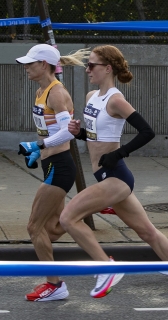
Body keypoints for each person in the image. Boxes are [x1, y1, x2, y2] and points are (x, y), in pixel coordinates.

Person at [62, 45, 168, 314]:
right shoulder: (93, 96)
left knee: (68, 218)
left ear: (108, 68)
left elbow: (147, 131)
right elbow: (94, 138)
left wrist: (119, 154)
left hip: (116, 177)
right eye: (87, 65)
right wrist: (78, 132)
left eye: (92, 65)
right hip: (106, 175)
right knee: (147, 232)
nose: (88, 70)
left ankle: (107, 267)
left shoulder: (116, 99)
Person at [15, 44, 89, 301]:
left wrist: (39, 145)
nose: (26, 67)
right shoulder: (40, 91)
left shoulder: (57, 94)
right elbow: (48, 130)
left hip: (59, 166)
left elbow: (68, 132)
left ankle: (55, 285)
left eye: (30, 63)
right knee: (52, 228)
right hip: (50, 163)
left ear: (44, 64)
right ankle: (87, 212)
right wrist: (39, 149)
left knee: (33, 226)